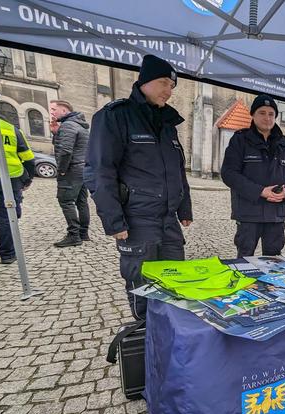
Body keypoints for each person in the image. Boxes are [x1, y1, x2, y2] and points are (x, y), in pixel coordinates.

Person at [89, 54, 193, 320]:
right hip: (137, 221)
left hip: (168, 222)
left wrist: (184, 208)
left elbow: (178, 171)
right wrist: (114, 221)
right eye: (163, 83)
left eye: (172, 86)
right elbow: (99, 171)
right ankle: (146, 342)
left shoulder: (168, 123)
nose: (169, 91)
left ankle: (170, 338)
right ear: (144, 81)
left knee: (174, 286)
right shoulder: (116, 116)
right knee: (143, 289)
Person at [221, 94, 285, 258]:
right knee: (245, 259)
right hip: (249, 214)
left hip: (276, 216)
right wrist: (260, 191)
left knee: (273, 261)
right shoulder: (240, 140)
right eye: (262, 112)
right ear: (253, 115)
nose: (267, 117)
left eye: (271, 114)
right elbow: (228, 173)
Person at [0, 109, 35, 264]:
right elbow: (28, 158)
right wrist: (27, 179)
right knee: (7, 219)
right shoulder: (11, 129)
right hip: (10, 179)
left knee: (7, 218)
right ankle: (8, 254)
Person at [50, 100, 91, 247]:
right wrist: (55, 133)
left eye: (54, 109)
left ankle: (74, 235)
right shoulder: (81, 126)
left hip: (71, 170)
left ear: (64, 110)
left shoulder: (68, 126)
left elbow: (65, 151)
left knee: (66, 201)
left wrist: (61, 170)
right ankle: (83, 233)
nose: (52, 112)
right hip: (82, 169)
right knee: (81, 201)